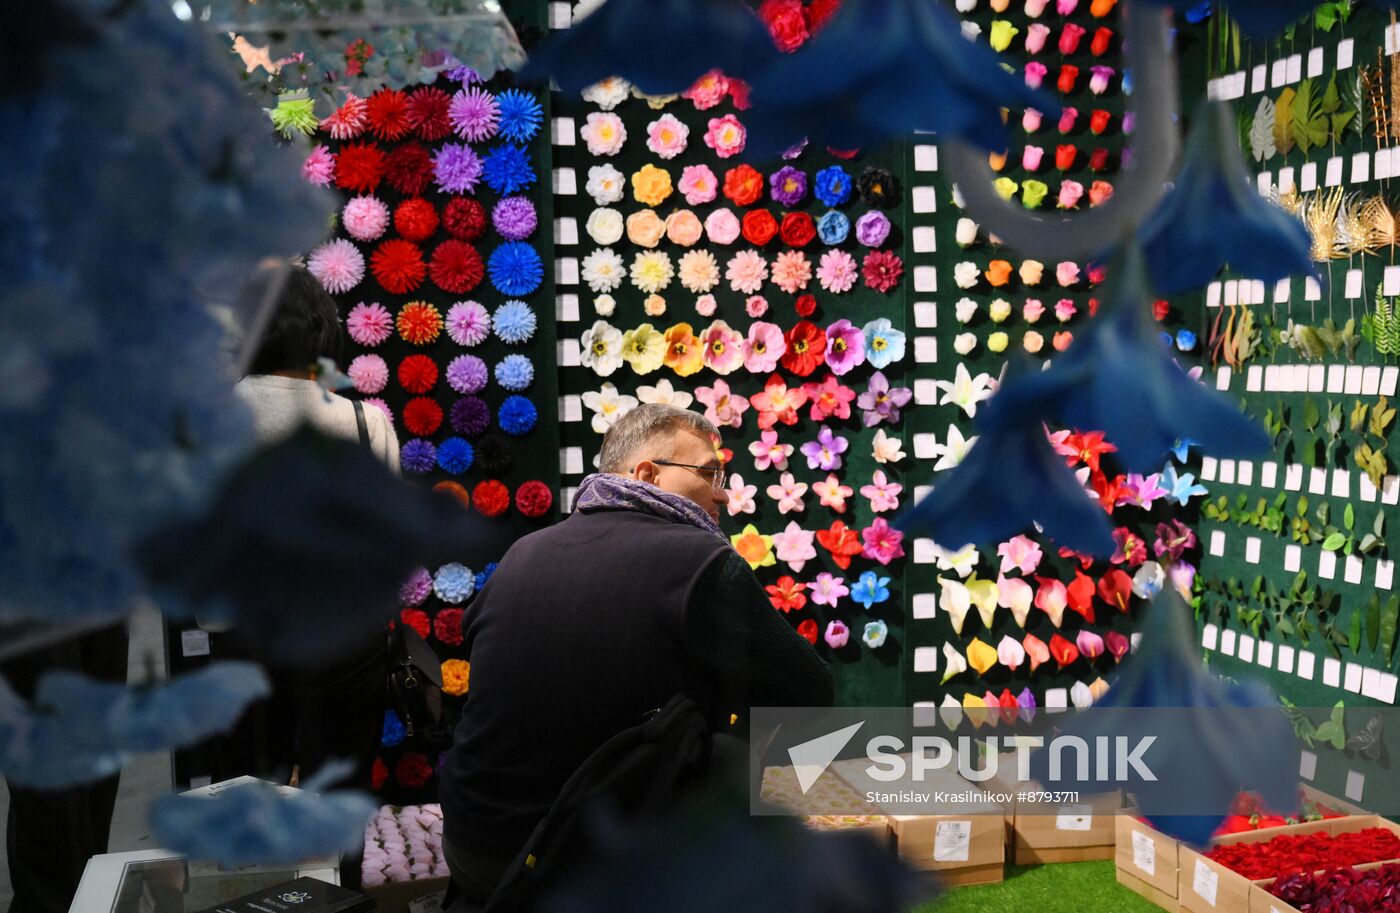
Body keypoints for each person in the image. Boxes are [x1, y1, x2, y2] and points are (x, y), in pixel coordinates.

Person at [438, 404, 835, 904]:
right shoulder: (700, 560)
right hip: (572, 866)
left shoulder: (526, 551)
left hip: (473, 849)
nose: (721, 492)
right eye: (708, 472)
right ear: (647, 473)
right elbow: (810, 691)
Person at [197, 265, 398, 856]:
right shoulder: (366, 422)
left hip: (245, 638)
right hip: (346, 644)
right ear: (321, 331)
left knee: (244, 807)